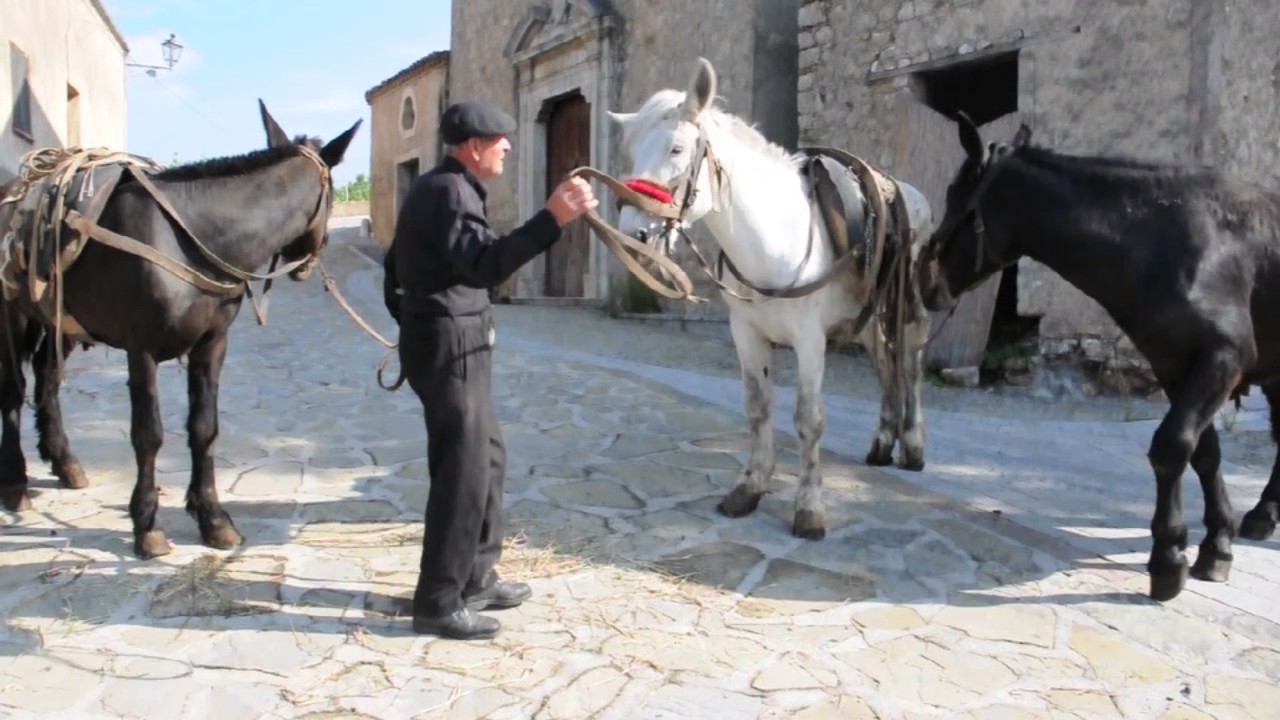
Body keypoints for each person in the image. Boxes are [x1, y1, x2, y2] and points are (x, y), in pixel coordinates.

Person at [390, 100, 598, 640]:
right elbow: (485, 265)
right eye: (499, 139)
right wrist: (553, 218)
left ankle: (477, 574)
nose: (508, 145)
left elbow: (395, 268)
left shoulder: (442, 189)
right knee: (463, 470)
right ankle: (438, 598)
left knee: (488, 458)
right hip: (450, 346)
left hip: (452, 341)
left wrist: (417, 320)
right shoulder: (449, 192)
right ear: (474, 147)